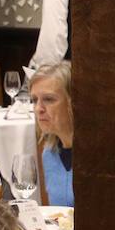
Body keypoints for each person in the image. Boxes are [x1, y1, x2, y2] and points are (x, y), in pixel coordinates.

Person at [31, 61, 73, 206]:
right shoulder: (49, 153)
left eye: (48, 99)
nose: (38, 109)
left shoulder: (99, 157)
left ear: (72, 102)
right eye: (34, 100)